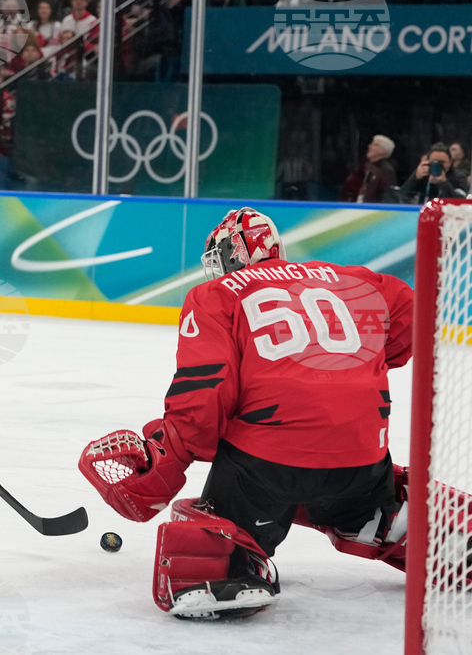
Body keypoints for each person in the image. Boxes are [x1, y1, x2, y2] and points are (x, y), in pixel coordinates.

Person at [79, 207, 414, 620]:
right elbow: (407, 327)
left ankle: (234, 564)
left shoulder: (217, 295)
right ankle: (394, 521)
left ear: (235, 252)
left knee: (207, 520)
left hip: (268, 468)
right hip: (363, 461)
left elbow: (204, 396)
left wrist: (166, 456)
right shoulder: (357, 279)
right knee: (352, 490)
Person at [340, 134, 397, 204]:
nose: (369, 146)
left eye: (375, 145)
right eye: (371, 144)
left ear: (383, 151)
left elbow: (387, 196)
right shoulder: (364, 166)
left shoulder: (386, 171)